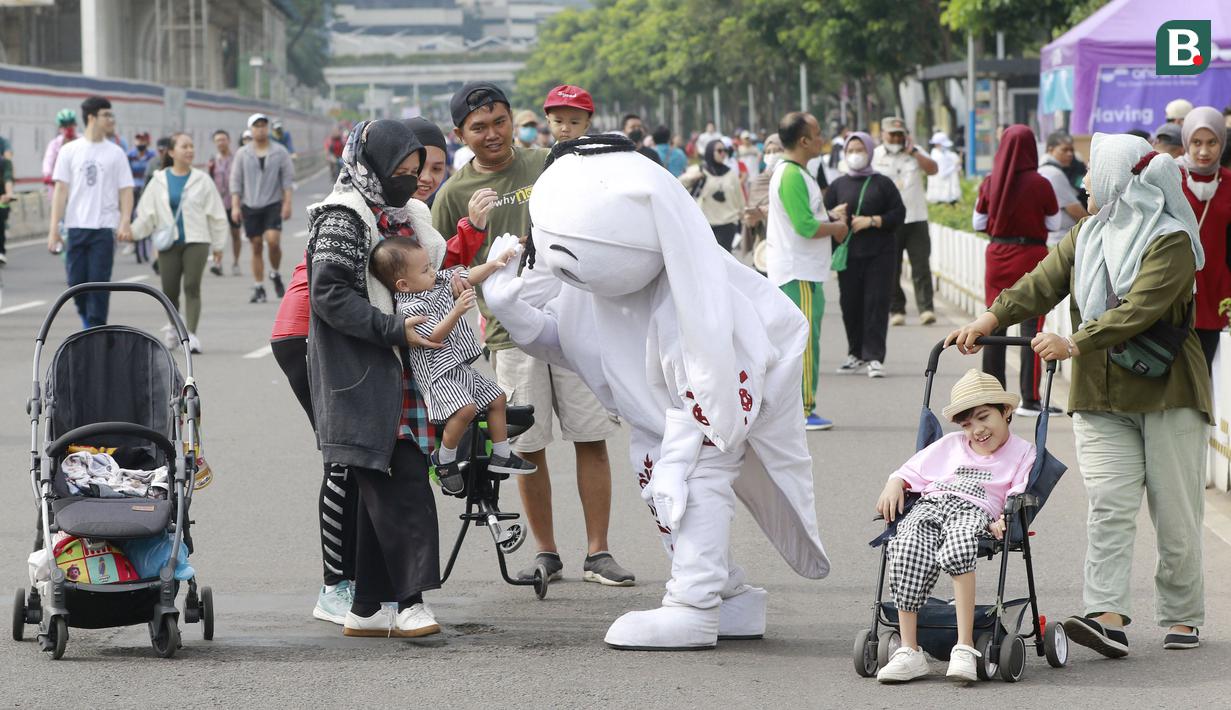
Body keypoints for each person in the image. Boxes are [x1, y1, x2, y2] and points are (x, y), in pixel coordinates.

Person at [479, 136, 830, 650]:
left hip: (701, 419)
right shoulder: (587, 288)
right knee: (667, 502)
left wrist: (689, 441)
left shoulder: (695, 286)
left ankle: (693, 605)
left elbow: (721, 371)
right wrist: (512, 309)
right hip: (652, 423)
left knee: (694, 487)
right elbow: (573, 345)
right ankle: (728, 595)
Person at [948, 132, 1209, 656]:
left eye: (1094, 170)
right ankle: (1106, 613)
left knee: (1174, 510)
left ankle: (1182, 613)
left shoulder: (1171, 239)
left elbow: (1139, 308)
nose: (1084, 180)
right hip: (1099, 393)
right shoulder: (1086, 234)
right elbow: (1041, 282)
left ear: (1119, 177)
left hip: (1168, 393)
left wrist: (1073, 340)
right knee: (1108, 505)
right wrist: (990, 316)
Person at [431, 81, 631, 587]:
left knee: (591, 436)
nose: (493, 134)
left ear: (513, 121)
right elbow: (440, 267)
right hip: (507, 335)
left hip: (575, 320)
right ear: (461, 134)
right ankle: (547, 552)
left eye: (500, 122)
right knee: (527, 446)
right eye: (479, 128)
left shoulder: (550, 162)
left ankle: (598, 552)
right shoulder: (453, 193)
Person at [305, 119, 445, 638]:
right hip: (364, 372)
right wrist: (394, 329)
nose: (410, 181)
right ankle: (409, 603)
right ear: (373, 166)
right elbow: (330, 294)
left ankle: (365, 608)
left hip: (402, 368)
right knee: (402, 481)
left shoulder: (402, 214)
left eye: (415, 171)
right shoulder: (345, 216)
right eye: (401, 172)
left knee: (380, 483)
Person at [874, 368, 1034, 683]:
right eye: (967, 423)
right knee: (905, 546)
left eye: (984, 417)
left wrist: (1004, 517)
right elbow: (909, 470)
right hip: (932, 503)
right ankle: (909, 650)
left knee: (959, 546)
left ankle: (963, 645)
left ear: (1006, 411)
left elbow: (1018, 491)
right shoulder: (950, 444)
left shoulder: (1023, 452)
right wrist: (894, 482)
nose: (977, 430)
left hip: (975, 509)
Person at [370, 238, 537, 494]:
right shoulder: (408, 307)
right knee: (466, 409)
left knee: (497, 398)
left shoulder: (437, 282)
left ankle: (502, 456)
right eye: (425, 269)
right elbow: (432, 338)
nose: (432, 272)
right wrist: (457, 311)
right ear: (403, 284)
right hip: (438, 375)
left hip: (458, 366)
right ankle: (444, 459)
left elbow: (468, 275)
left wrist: (496, 262)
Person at [972, 125, 1061, 416]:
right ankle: (1030, 399)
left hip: (997, 255)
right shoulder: (1041, 183)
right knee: (1033, 329)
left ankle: (993, 397)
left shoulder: (989, 182)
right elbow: (1053, 225)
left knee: (993, 324)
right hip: (1031, 256)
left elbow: (978, 223)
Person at [766, 113, 848, 429]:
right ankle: (802, 409)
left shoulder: (799, 173)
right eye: (817, 134)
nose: (821, 138)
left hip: (805, 270)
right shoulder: (791, 175)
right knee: (804, 343)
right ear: (803, 141)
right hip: (797, 271)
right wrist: (836, 227)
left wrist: (829, 217)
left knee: (804, 340)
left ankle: (799, 408)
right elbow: (804, 226)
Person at [131, 133, 229, 353]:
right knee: (169, 291)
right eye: (184, 146)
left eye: (192, 146)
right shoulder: (159, 181)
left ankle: (191, 335)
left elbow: (217, 215)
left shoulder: (202, 180)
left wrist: (219, 246)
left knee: (192, 287)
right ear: (172, 152)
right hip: (168, 244)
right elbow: (146, 213)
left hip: (197, 241)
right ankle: (175, 327)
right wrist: (132, 233)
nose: (189, 150)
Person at [45, 96, 134, 329]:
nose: (111, 119)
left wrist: (125, 221)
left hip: (104, 228)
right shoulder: (70, 151)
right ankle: (89, 321)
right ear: (92, 117)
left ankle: (95, 329)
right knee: (76, 283)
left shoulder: (116, 153)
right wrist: (54, 229)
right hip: (76, 227)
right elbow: (60, 191)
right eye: (107, 115)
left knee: (99, 283)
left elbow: (126, 190)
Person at [824, 131, 906, 379]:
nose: (855, 155)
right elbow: (825, 215)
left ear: (869, 151)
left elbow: (898, 214)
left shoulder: (883, 183)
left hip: (880, 255)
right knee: (850, 305)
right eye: (851, 150)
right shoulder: (838, 185)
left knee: (876, 304)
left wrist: (873, 221)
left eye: (860, 149)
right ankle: (855, 354)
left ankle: (874, 357)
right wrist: (833, 215)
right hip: (849, 256)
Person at [1179, 106, 1231, 371]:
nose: (1203, 151)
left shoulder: (1229, 183)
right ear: (1186, 140)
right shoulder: (1171, 179)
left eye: (1212, 142)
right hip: (1176, 294)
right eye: (1196, 142)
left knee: (1204, 378)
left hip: (1216, 295)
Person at [875, 116, 938, 328]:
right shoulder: (875, 156)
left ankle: (926, 308)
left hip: (916, 218)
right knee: (892, 267)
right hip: (890, 220)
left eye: (899, 134)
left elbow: (933, 169)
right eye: (891, 134)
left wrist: (913, 152)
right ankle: (897, 309)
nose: (895, 138)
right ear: (882, 134)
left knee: (921, 266)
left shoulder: (915, 153)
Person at [230, 113, 294, 303]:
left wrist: (287, 203)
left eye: (263, 126)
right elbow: (236, 181)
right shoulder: (243, 153)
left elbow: (287, 180)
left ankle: (274, 273)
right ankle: (259, 286)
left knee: (273, 241)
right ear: (250, 129)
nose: (260, 129)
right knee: (256, 245)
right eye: (256, 126)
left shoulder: (280, 151)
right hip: (250, 204)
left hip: (272, 203)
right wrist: (235, 206)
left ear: (268, 128)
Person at [680, 140, 747, 251]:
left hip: (728, 223)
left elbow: (740, 199)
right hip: (705, 224)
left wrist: (743, 219)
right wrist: (693, 178)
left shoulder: (731, 174)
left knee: (724, 261)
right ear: (710, 151)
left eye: (725, 151)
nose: (723, 154)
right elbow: (680, 182)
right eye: (719, 150)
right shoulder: (700, 170)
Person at [1038, 131, 1090, 247]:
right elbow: (1074, 208)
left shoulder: (1044, 170)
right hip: (1062, 239)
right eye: (1064, 150)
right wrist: (1094, 226)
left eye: (1071, 150)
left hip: (1056, 238)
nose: (1070, 154)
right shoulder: (1053, 173)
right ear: (1050, 150)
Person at [207, 129, 242, 276]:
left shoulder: (237, 159)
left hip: (233, 202)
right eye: (218, 140)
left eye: (223, 139)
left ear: (229, 141)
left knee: (235, 233)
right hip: (217, 204)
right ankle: (218, 263)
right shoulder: (212, 161)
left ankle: (235, 262)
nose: (221, 143)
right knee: (217, 235)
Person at [42, 109, 77, 199]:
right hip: (59, 185)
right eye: (65, 125)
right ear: (60, 127)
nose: (68, 127)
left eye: (70, 124)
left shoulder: (82, 141)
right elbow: (48, 160)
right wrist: (48, 175)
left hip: (78, 185)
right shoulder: (55, 144)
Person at [925, 131, 961, 205]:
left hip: (939, 195)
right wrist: (955, 166)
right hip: (943, 196)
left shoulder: (935, 154)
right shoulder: (939, 157)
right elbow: (943, 174)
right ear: (937, 144)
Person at [0, 148, 13, 264]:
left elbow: (8, 178)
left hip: (2, 199)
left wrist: (9, 194)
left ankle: (1, 251)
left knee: (0, 225)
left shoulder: (5, 162)